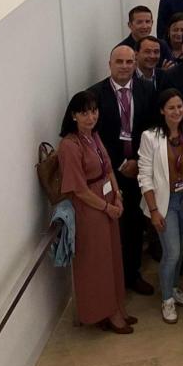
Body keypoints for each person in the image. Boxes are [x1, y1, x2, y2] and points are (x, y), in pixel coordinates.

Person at [57, 91, 134, 333]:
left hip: (108, 202)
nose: (90, 117)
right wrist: (106, 207)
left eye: (93, 111)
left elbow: (108, 168)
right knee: (97, 263)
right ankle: (104, 312)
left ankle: (115, 306)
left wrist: (118, 196)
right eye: (84, 113)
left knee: (112, 258)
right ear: (73, 116)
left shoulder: (94, 136)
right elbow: (78, 189)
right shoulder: (69, 145)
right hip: (90, 209)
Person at [88, 46, 157, 296]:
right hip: (109, 173)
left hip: (140, 168)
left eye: (130, 61)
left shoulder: (146, 89)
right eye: (120, 61)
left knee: (134, 225)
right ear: (110, 64)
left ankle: (132, 274)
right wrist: (118, 163)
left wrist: (139, 160)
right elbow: (96, 136)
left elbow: (151, 128)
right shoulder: (95, 94)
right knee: (110, 228)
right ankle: (112, 279)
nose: (125, 66)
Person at [138, 89, 183, 324]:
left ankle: (175, 287)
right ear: (162, 110)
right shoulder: (150, 137)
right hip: (164, 203)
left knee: (181, 250)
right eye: (171, 107)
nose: (177, 111)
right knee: (172, 253)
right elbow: (145, 177)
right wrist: (154, 210)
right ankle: (166, 299)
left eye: (180, 106)